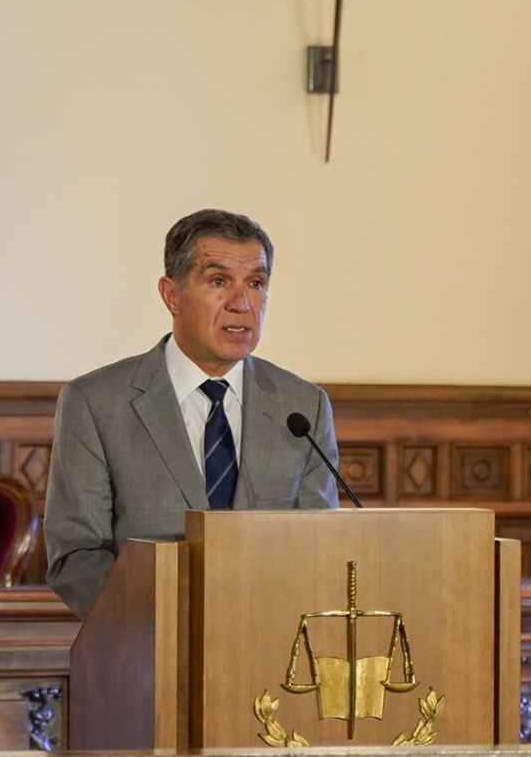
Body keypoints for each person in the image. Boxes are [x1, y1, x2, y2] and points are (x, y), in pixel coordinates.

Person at [44, 209, 342, 618]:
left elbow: (320, 549)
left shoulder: (302, 406)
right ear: (171, 295)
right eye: (219, 282)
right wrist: (163, 625)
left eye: (256, 284)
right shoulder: (95, 403)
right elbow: (76, 558)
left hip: (272, 658)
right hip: (146, 654)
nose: (242, 304)